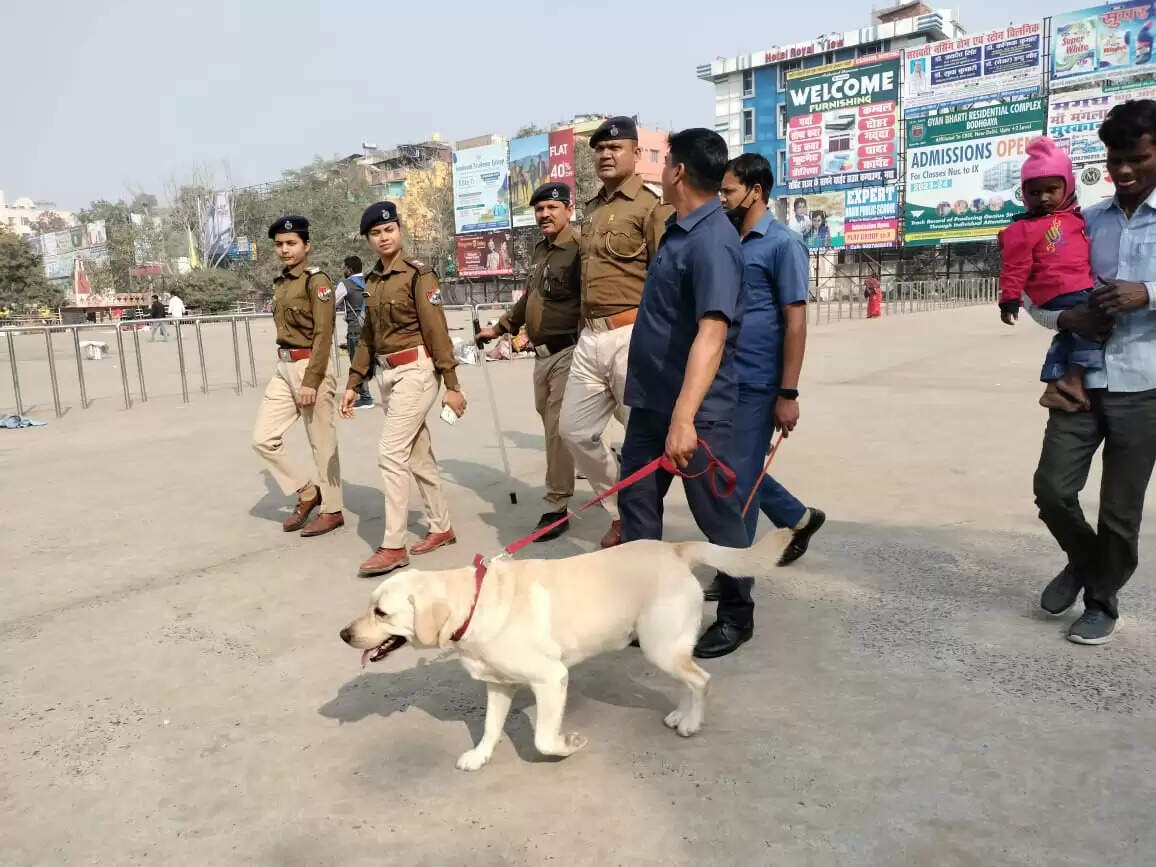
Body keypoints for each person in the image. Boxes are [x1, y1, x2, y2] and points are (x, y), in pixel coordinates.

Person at [616, 127, 752, 659]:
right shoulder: (679, 229)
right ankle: (645, 610)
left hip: (697, 412)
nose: (663, 168)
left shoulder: (713, 241)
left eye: (665, 160)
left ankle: (738, 613)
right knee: (638, 508)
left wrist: (685, 418)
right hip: (652, 403)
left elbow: (712, 333)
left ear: (676, 172)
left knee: (716, 517)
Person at [1026, 99, 1156, 645]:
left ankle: (1102, 601)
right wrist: (1065, 315)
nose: (1123, 171)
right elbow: (1037, 290)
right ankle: (1086, 562)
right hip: (1080, 380)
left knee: (1120, 512)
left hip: (1144, 386)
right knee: (1052, 490)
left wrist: (1148, 293)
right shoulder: (1082, 221)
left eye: (1138, 158)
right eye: (1114, 159)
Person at [714, 153, 826, 608]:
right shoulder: (727, 241)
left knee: (736, 483)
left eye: (728, 191)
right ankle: (797, 517)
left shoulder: (783, 244)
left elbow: (795, 323)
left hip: (760, 382)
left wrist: (788, 393)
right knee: (728, 472)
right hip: (723, 379)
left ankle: (736, 584)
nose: (722, 199)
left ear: (756, 190)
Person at [561, 115, 673, 548]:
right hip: (589, 339)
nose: (606, 155)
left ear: (635, 153)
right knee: (573, 431)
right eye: (600, 150)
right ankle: (624, 512)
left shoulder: (650, 207)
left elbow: (666, 280)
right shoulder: (589, 211)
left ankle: (760, 504)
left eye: (615, 148)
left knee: (656, 439)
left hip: (633, 336)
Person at [341, 201, 467, 578]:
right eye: (376, 233)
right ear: (368, 239)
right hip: (387, 375)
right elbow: (368, 336)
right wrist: (353, 382)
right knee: (416, 453)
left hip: (417, 369)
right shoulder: (373, 281)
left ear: (400, 231)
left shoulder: (418, 275)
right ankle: (440, 525)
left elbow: (437, 331)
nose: (384, 237)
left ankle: (393, 545)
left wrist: (453, 385)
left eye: (389, 230)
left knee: (390, 452)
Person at [478, 183, 582, 540]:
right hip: (541, 357)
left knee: (558, 430)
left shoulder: (580, 249)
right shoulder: (540, 250)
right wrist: (502, 327)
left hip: (570, 351)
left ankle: (557, 505)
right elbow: (530, 299)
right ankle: (606, 481)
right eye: (539, 209)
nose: (544, 215)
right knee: (561, 430)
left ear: (569, 208)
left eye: (552, 207)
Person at [250, 216, 344, 538]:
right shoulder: (282, 284)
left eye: (291, 243)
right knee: (263, 438)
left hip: (310, 367)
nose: (284, 249)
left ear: (307, 245)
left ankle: (333, 509)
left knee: (321, 442)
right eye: (279, 244)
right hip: (284, 366)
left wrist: (312, 380)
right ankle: (307, 492)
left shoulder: (316, 282)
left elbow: (323, 333)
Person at [998, 137, 1099, 412]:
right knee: (1097, 326)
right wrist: (1009, 299)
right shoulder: (1023, 228)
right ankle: (1073, 379)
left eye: (1051, 190)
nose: (1042, 198)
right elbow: (1014, 265)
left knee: (1070, 334)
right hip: (1059, 289)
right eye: (1034, 193)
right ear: (1024, 193)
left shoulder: (1076, 217)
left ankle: (1054, 384)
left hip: (1078, 286)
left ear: (1067, 186)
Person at [335, 256, 374, 408]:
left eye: (344, 267)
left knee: (358, 362)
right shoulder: (369, 282)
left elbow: (332, 303)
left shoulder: (345, 284)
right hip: (372, 329)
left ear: (349, 269)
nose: (343, 270)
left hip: (355, 329)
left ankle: (365, 397)